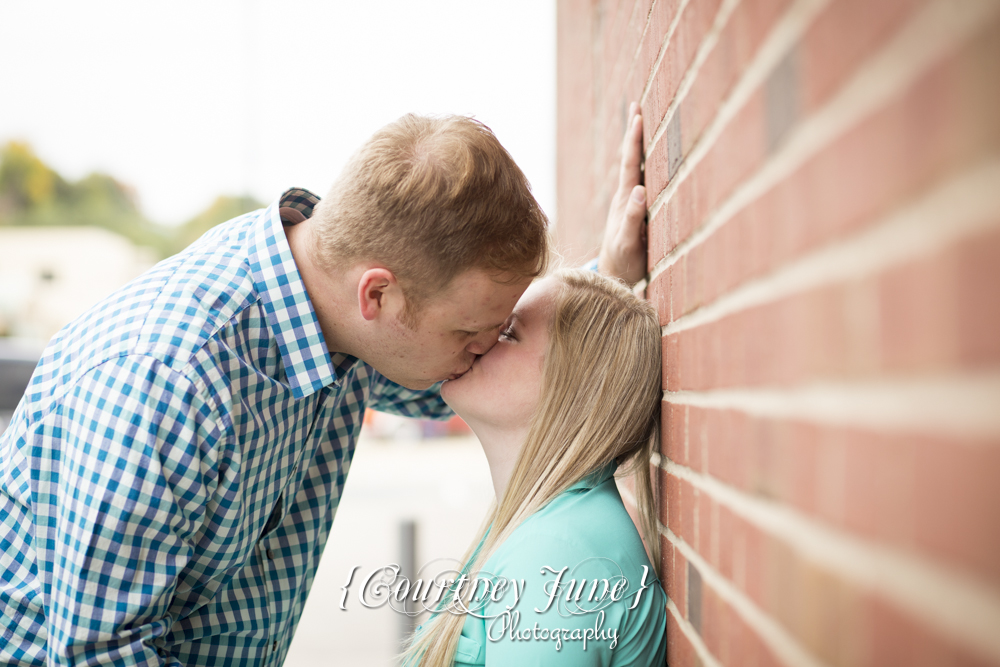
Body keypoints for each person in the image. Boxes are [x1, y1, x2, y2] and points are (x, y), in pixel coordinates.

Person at [0, 104, 650, 665]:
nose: (478, 350)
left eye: (497, 330)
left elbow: (508, 384)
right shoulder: (167, 380)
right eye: (469, 333)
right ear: (378, 295)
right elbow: (99, 651)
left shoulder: (343, 316)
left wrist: (602, 294)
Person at [403, 268, 665, 666]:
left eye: (507, 332)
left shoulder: (556, 560)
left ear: (576, 387)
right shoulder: (549, 527)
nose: (481, 338)